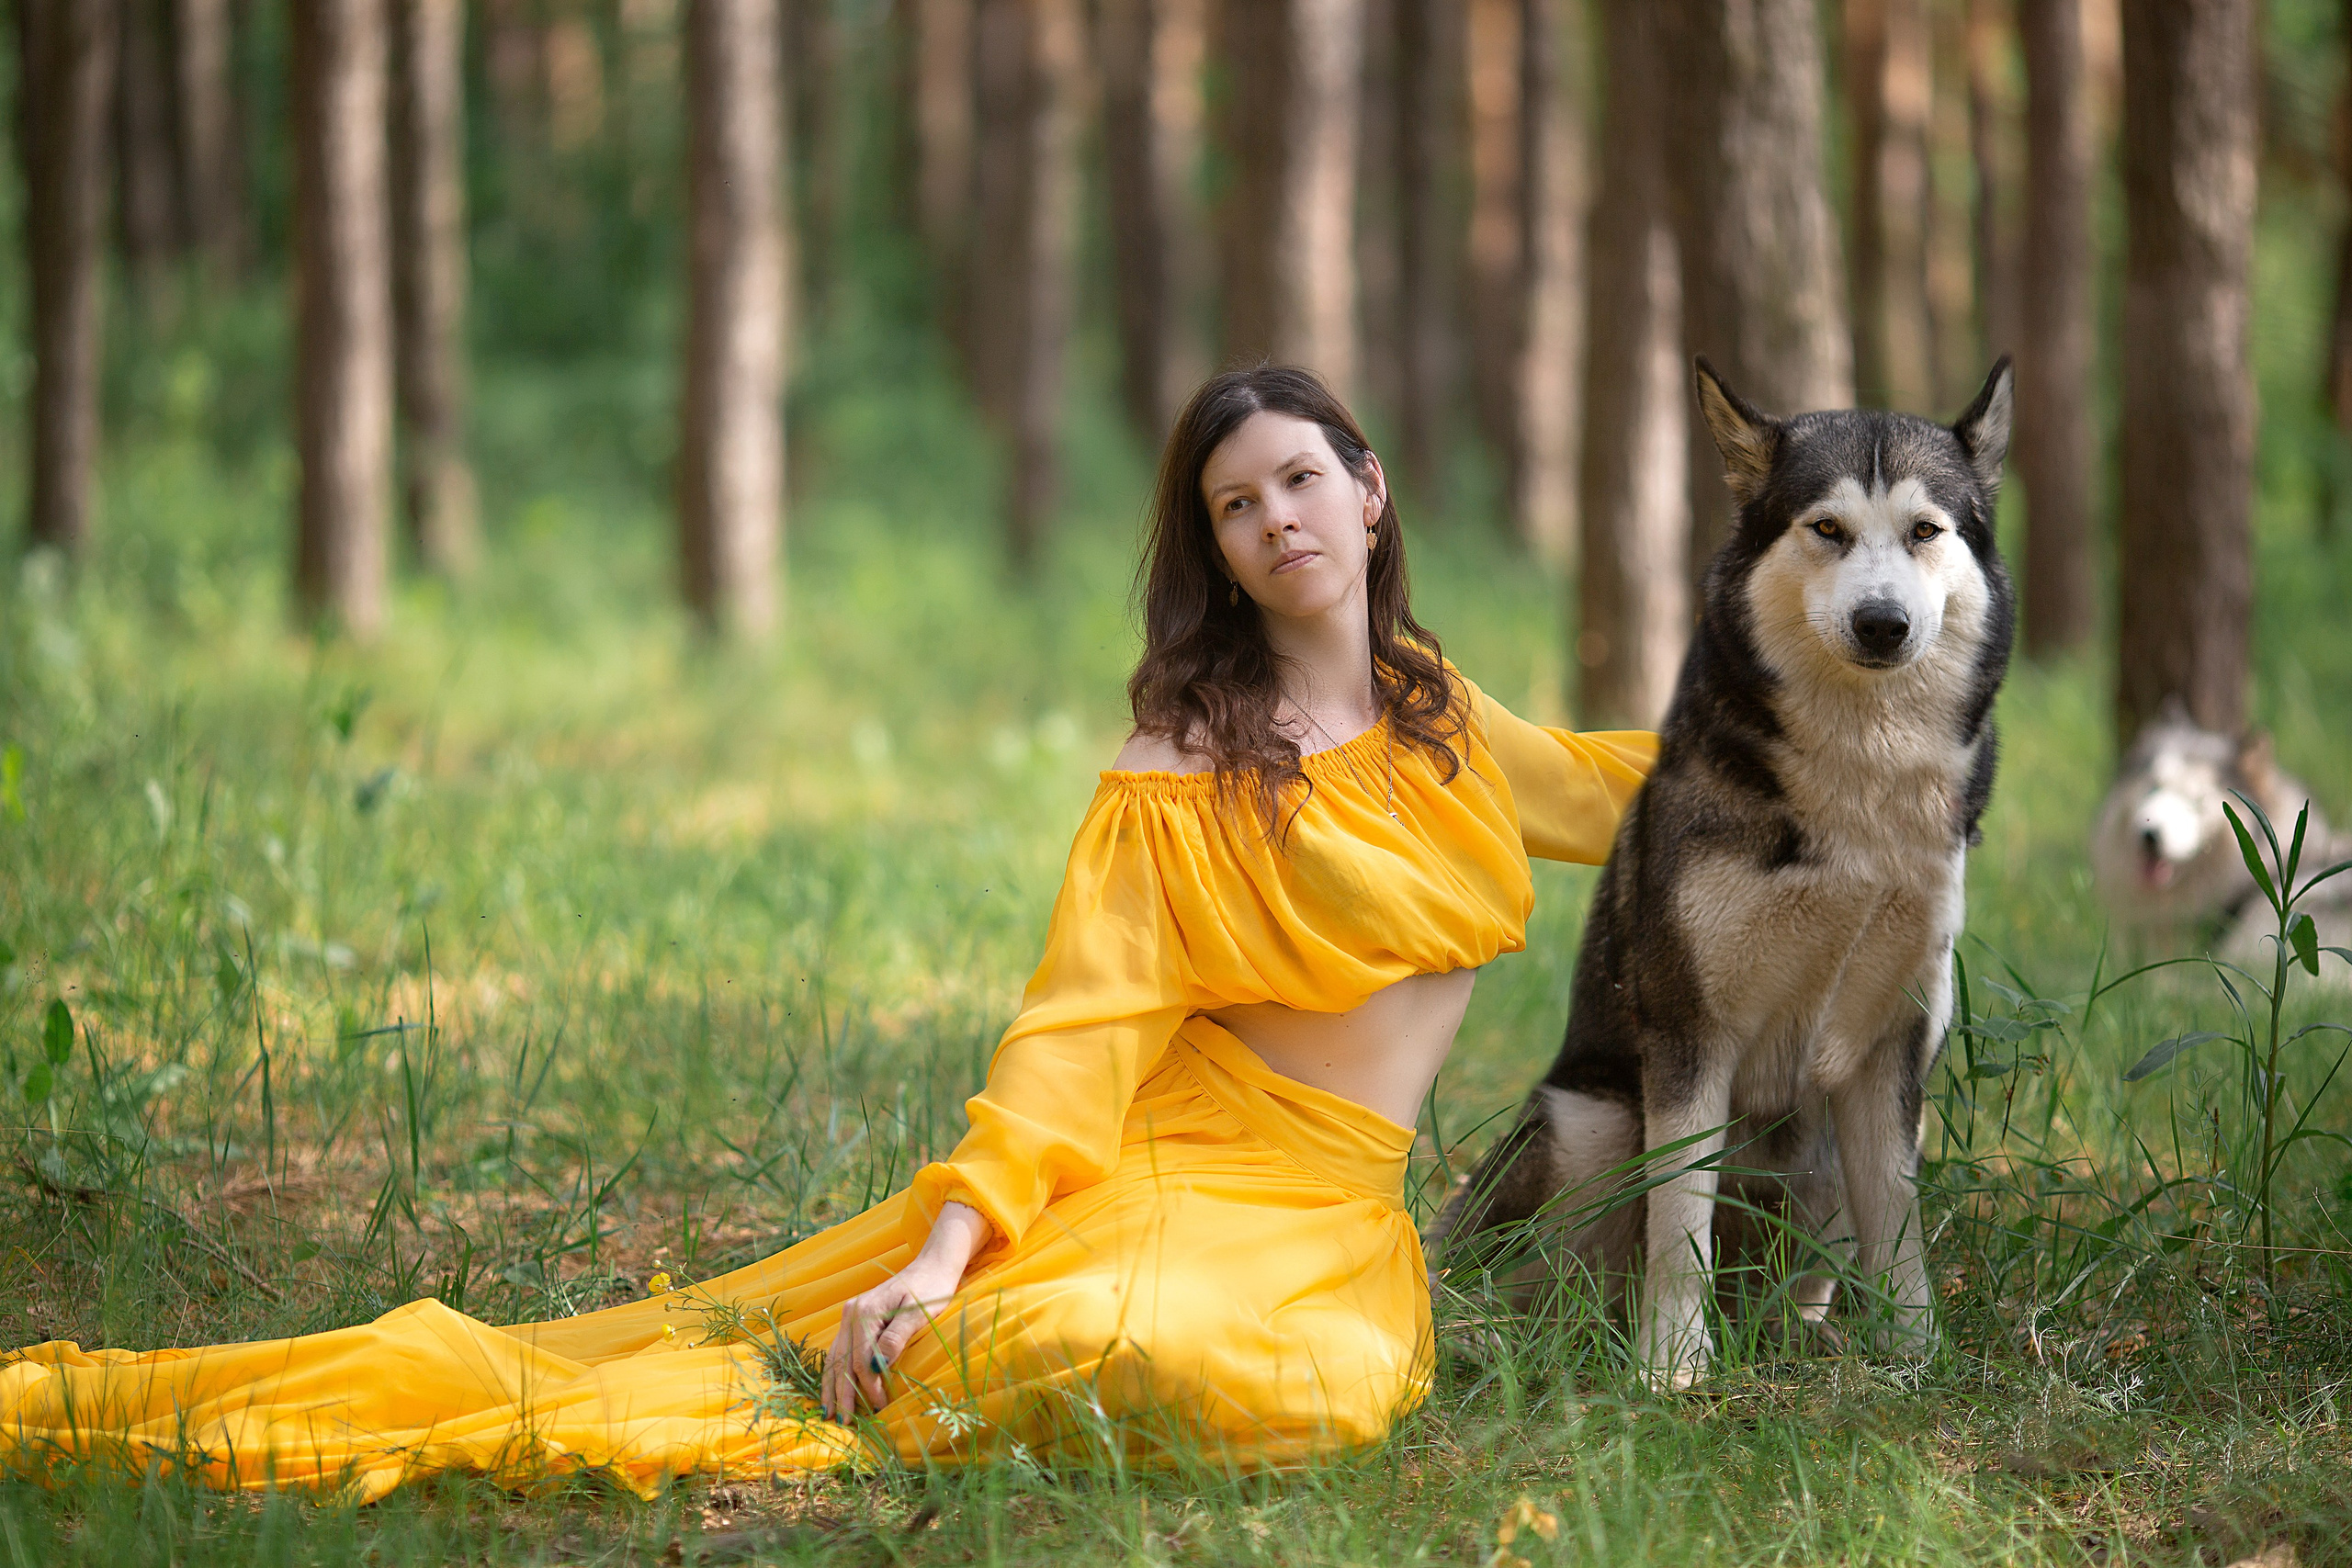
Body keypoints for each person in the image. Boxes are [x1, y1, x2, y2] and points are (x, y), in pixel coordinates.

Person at [0, 367, 1653, 1498]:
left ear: (1368, 492)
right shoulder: (1181, 769)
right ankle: (957, 1328)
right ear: (1216, 553)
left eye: (1300, 478)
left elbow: (1608, 788)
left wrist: (1804, 718)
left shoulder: (1441, 717)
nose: (1277, 516)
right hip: (1189, 1170)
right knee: (1102, 1351)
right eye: (1235, 504)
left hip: (1340, 1210)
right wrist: (945, 1248)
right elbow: (1075, 1038)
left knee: (1319, 1394)